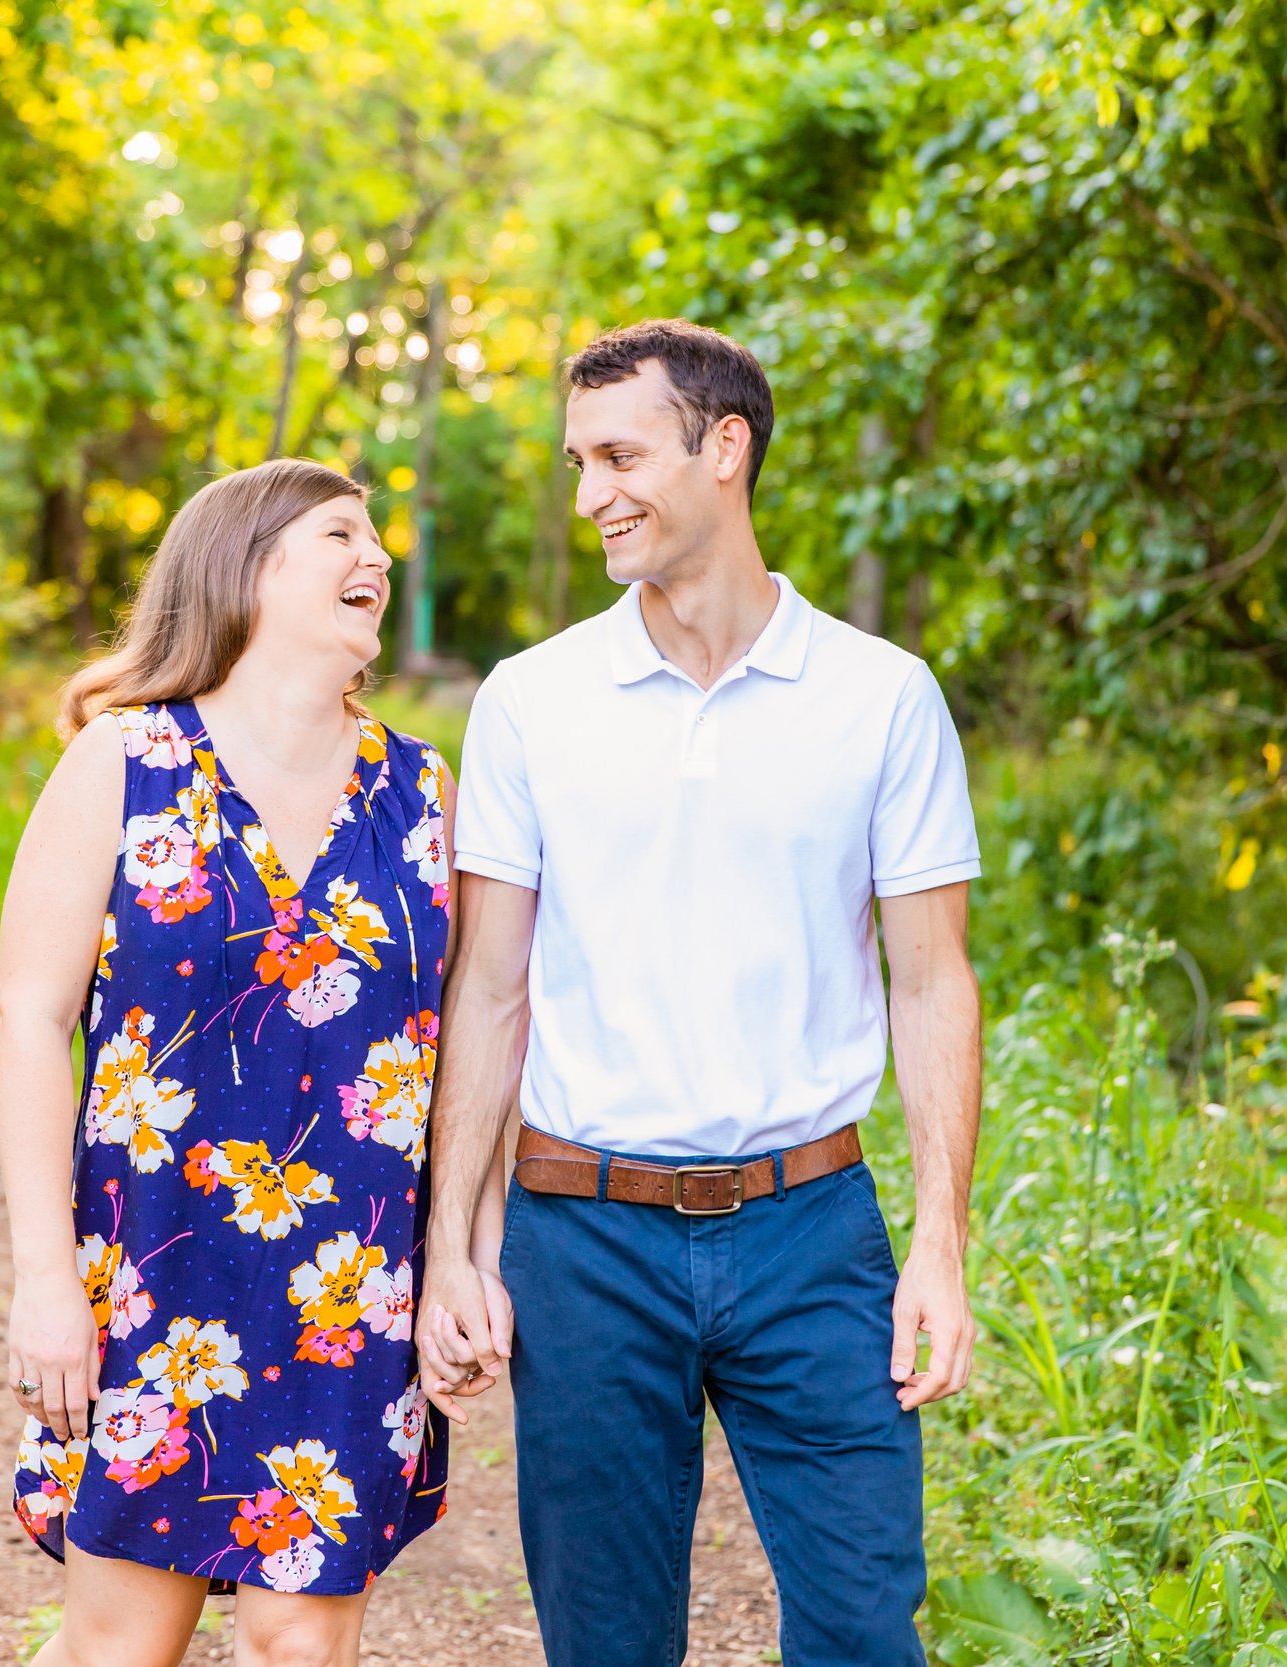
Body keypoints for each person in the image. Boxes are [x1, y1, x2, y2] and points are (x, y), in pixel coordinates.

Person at [417, 319, 985, 1667]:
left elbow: (934, 983)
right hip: (583, 1235)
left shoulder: (881, 697)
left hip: (812, 1231)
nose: (589, 493)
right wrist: (454, 1239)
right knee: (606, 1642)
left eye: (619, 454)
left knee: (862, 1625)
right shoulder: (532, 700)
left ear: (724, 447)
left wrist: (943, 1245)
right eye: (576, 460)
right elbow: (488, 992)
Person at [0, 458, 456, 1667]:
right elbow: (30, 1016)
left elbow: (471, 1044)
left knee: (301, 1644)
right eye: (342, 534)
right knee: (119, 1641)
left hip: (347, 1294)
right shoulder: (125, 761)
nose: (379, 558)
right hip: (150, 1273)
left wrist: (461, 1258)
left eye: (379, 538)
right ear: (248, 566)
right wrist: (45, 1277)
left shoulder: (422, 793)